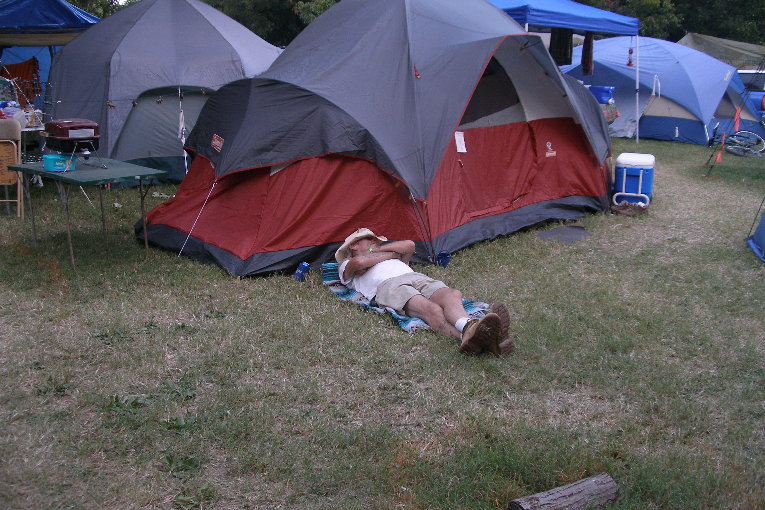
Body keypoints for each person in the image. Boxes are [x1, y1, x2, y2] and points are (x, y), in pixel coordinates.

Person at [335, 228, 512, 355]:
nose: (376, 242)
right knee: (431, 309)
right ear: (353, 246)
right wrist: (391, 254)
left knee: (451, 295)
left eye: (375, 241)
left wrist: (376, 249)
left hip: (415, 277)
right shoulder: (346, 264)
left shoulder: (386, 252)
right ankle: (476, 337)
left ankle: (471, 328)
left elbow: (410, 245)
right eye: (369, 240)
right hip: (388, 286)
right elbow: (359, 263)